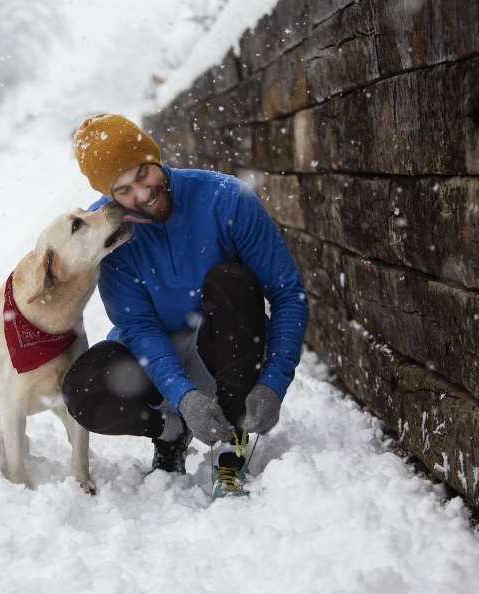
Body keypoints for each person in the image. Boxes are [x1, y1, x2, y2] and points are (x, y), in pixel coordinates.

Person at [62, 113, 309, 500]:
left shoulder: (226, 197)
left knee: (232, 279)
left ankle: (230, 448)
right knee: (83, 389)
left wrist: (273, 384)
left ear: (155, 157)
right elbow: (140, 326)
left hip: (223, 346)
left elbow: (287, 294)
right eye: (123, 190)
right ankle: (171, 434)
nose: (142, 194)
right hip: (156, 353)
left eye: (143, 174)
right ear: (111, 196)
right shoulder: (110, 231)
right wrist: (183, 398)